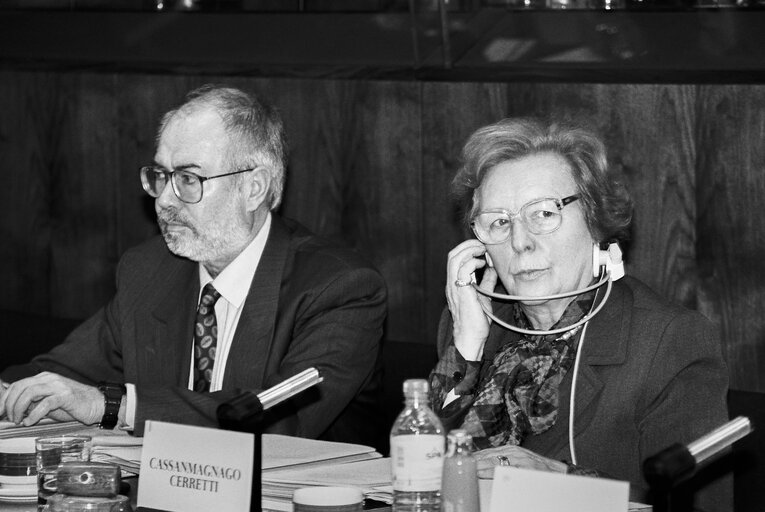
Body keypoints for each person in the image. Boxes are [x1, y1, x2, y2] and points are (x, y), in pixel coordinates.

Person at [0, 85, 387, 446]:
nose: (165, 200)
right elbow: (60, 376)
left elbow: (271, 421)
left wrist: (113, 406)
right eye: (160, 176)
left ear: (254, 188)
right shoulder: (149, 270)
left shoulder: (338, 288)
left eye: (187, 178)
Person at [429, 118, 731, 510]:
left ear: (594, 219)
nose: (520, 242)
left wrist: (560, 480)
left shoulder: (667, 340)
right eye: (500, 222)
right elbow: (419, 470)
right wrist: (466, 347)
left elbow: (697, 504)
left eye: (543, 214)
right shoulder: (471, 325)